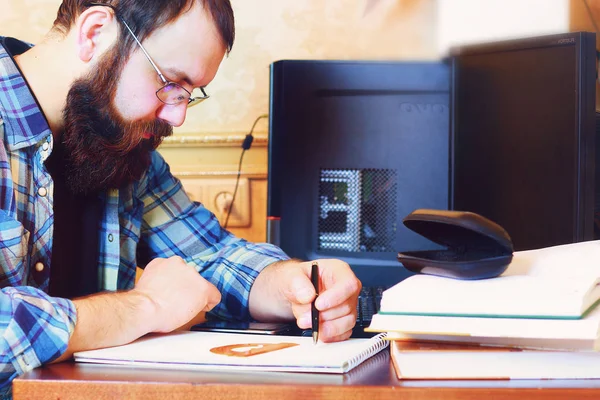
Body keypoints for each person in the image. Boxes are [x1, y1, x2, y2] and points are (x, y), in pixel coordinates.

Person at [0, 0, 361, 396]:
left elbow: (209, 255)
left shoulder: (119, 146)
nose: (177, 117)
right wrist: (145, 307)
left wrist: (291, 285)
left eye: (188, 93)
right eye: (170, 82)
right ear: (95, 33)